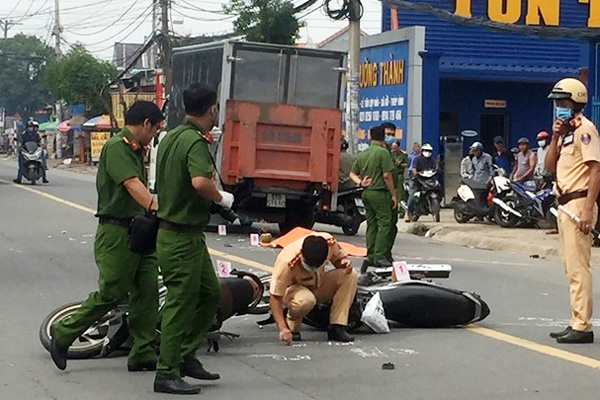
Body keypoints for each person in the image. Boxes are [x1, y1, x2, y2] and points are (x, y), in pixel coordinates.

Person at [49, 101, 164, 373]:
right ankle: (64, 333)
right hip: (117, 233)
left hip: (140, 231)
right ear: (145, 123)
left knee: (147, 292)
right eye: (155, 129)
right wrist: (157, 207)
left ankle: (142, 353)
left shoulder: (136, 150)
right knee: (112, 293)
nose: (154, 135)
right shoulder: (117, 147)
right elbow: (132, 185)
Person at [154, 84, 234, 395]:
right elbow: (200, 181)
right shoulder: (194, 142)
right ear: (211, 109)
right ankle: (166, 371)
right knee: (181, 304)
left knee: (209, 293)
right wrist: (221, 199)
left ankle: (186, 355)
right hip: (179, 235)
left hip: (186, 235)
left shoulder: (172, 136)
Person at [545, 77, 600, 344]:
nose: (559, 107)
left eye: (563, 102)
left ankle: (583, 326)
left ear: (576, 102)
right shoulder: (566, 133)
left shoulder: (585, 130)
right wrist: (555, 136)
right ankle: (575, 320)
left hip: (579, 204)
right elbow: (547, 166)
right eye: (557, 102)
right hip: (564, 205)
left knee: (579, 268)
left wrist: (588, 210)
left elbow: (595, 170)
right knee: (571, 268)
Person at [269, 234, 359, 344]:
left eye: (317, 266)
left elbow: (339, 260)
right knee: (306, 300)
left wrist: (344, 262)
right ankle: (292, 322)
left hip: (318, 283)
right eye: (309, 265)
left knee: (349, 275)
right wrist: (282, 328)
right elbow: (275, 297)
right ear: (302, 254)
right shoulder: (287, 261)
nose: (312, 269)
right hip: (295, 290)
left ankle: (337, 325)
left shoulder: (329, 243)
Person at [349, 125, 397, 270]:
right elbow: (387, 176)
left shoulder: (363, 153)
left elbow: (352, 174)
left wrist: (360, 182)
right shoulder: (383, 153)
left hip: (366, 193)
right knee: (385, 224)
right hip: (380, 193)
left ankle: (370, 254)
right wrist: (394, 194)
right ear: (383, 137)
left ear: (370, 137)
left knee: (372, 224)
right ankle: (380, 255)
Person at [381, 122, 408, 219]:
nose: (390, 137)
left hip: (397, 180)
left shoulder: (398, 153)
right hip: (381, 189)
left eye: (392, 135)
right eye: (388, 134)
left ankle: (401, 212)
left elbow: (406, 164)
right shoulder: (379, 151)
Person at [407, 143, 436, 220]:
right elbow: (413, 168)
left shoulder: (432, 160)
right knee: (413, 195)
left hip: (427, 179)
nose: (427, 152)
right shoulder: (417, 158)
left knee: (437, 187)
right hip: (416, 179)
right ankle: (409, 213)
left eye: (429, 151)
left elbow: (435, 168)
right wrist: (415, 173)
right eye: (426, 150)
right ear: (422, 151)